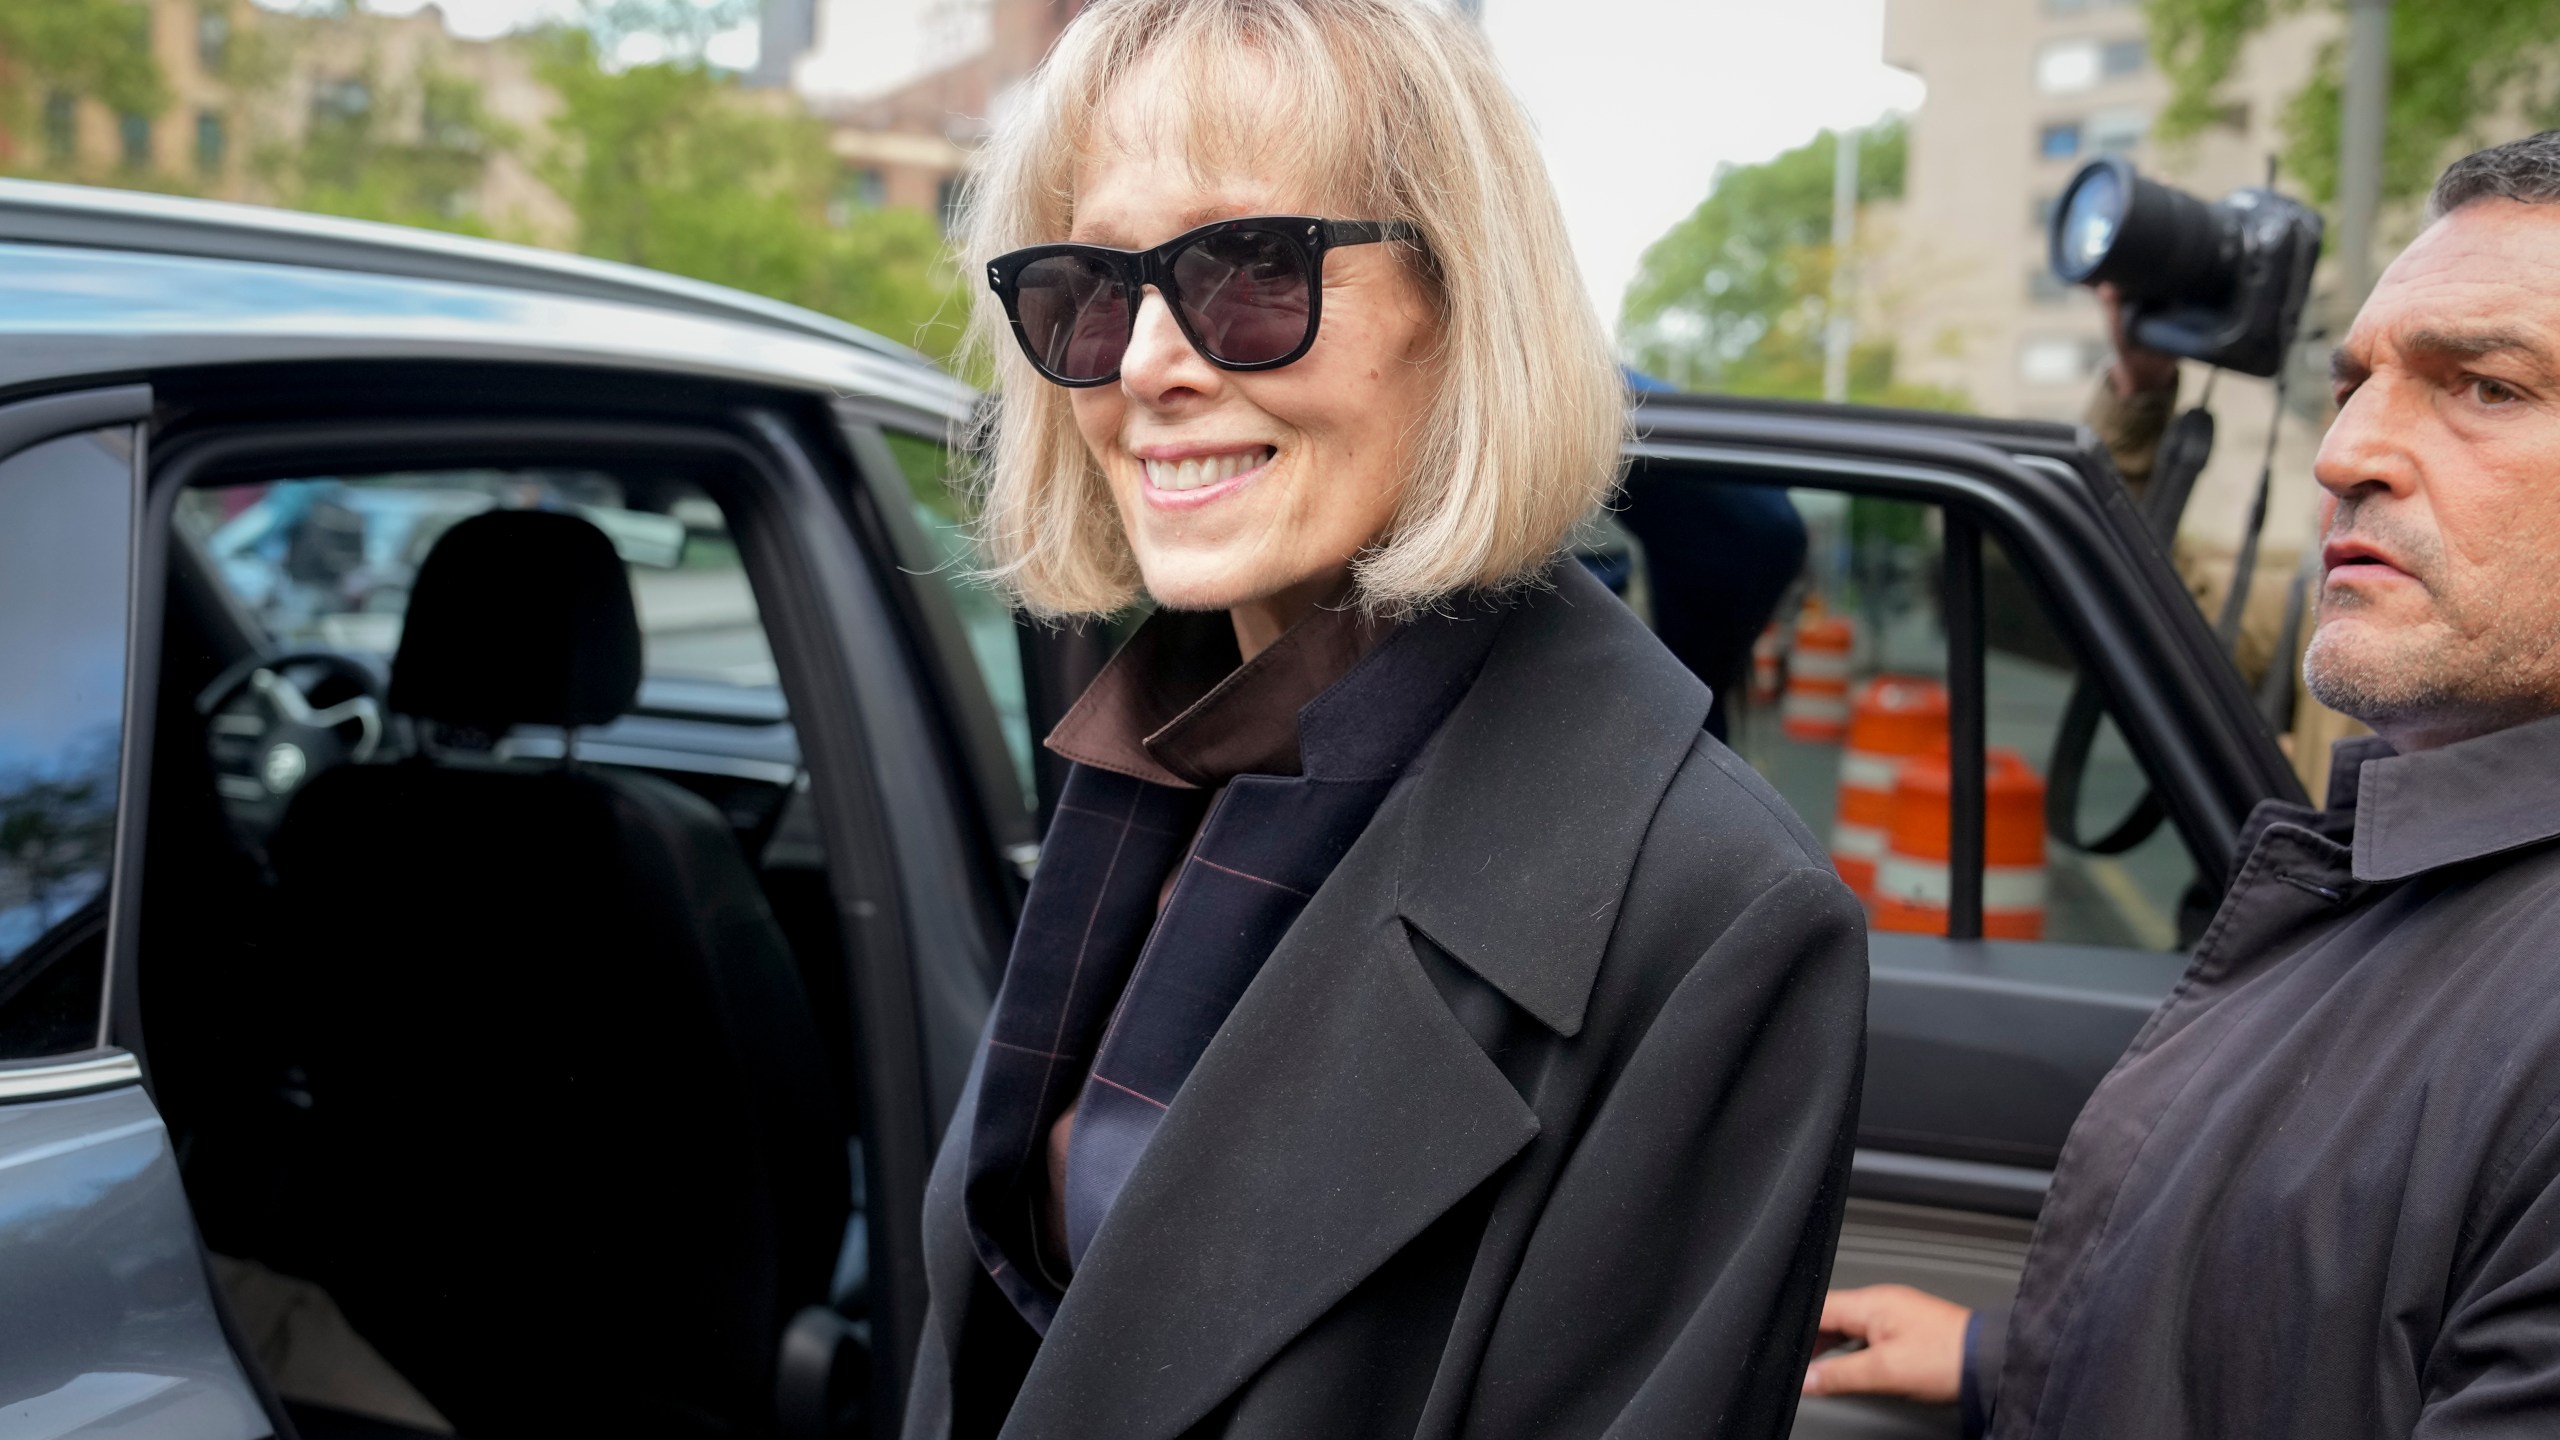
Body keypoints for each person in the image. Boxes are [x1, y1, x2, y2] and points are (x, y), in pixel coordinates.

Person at [903, 1, 1871, 1436]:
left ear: (1458, 300)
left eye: (1246, 267)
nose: (1152, 363)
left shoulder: (1720, 916)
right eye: (1092, 289)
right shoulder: (1154, 760)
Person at [1804, 128, 2560, 1437]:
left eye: (2483, 386)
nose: (2346, 454)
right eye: (2352, 383)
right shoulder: (2439, 850)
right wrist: (2015, 1363)